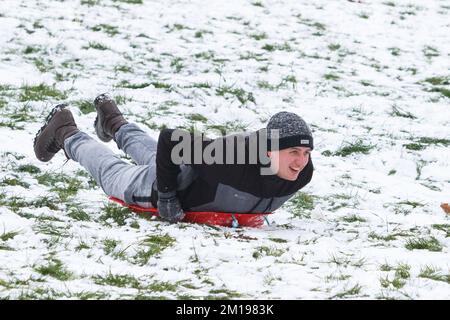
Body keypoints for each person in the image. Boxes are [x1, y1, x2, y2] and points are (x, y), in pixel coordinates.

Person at [33, 94, 314, 222]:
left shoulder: (302, 171)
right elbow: (169, 139)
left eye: (305, 153)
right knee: (112, 173)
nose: (300, 162)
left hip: (184, 168)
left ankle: (113, 121)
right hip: (166, 185)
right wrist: (166, 196)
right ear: (268, 152)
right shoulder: (230, 158)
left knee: (160, 158)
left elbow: (169, 153)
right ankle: (66, 131)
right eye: (292, 153)